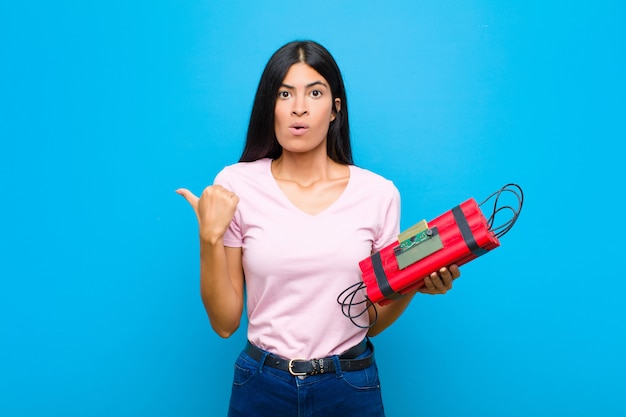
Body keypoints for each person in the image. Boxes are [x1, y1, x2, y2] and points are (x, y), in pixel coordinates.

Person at [177, 40, 461, 417]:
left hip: (349, 384)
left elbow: (370, 322)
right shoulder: (236, 185)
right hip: (262, 384)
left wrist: (414, 285)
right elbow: (225, 323)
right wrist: (209, 237)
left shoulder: (378, 194)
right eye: (284, 93)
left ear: (334, 109)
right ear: (270, 108)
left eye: (315, 92)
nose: (299, 107)